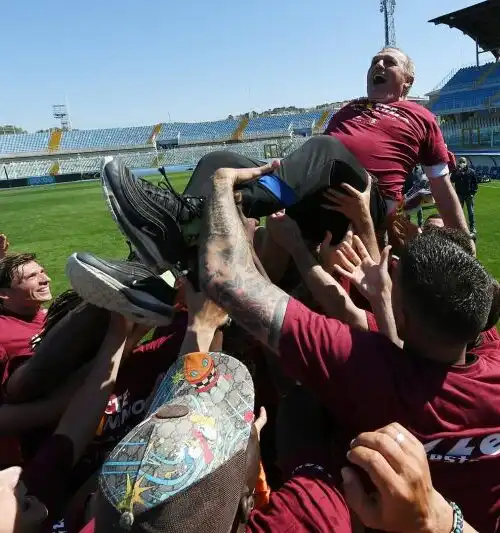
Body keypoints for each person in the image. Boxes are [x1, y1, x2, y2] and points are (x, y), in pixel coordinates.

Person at [197, 164, 500, 532]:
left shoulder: (367, 367)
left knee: (300, 409)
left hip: (340, 508)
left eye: (394, 279)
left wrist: (221, 183)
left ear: (399, 313)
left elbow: (225, 278)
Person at [97, 47, 470, 278]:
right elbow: (321, 156)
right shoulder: (349, 110)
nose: (378, 63)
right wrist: (290, 166)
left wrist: (464, 243)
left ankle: (229, 204)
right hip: (319, 194)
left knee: (323, 148)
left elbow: (442, 186)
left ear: (407, 80)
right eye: (374, 60)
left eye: (389, 61)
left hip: (363, 205)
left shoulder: (422, 118)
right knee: (218, 159)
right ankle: (163, 256)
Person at [0, 253, 52, 384]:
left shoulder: (50, 314)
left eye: (42, 272)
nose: (46, 279)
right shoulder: (3, 332)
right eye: (32, 276)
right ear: (3, 293)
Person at [451, 157, 478, 237]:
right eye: (460, 161)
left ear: (466, 163)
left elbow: (475, 184)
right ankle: (459, 227)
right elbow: (452, 180)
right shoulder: (456, 171)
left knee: (471, 212)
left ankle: (472, 228)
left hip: (469, 195)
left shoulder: (471, 171)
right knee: (459, 212)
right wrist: (457, 171)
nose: (461, 163)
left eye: (463, 161)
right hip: (459, 195)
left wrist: (473, 193)